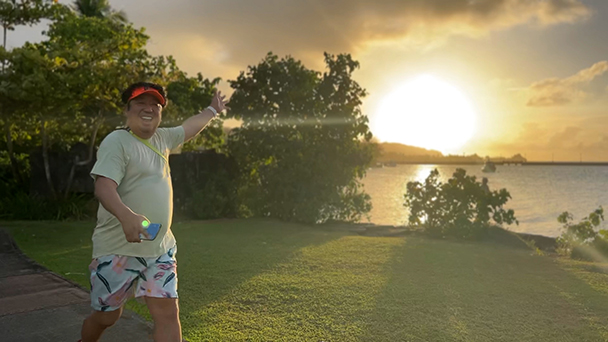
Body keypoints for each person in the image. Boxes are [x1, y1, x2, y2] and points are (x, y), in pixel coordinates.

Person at [80, 82, 228, 342]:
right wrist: (127, 216)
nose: (149, 108)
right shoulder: (117, 142)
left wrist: (212, 110)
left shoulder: (163, 139)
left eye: (155, 104)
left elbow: (189, 128)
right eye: (141, 103)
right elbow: (103, 186)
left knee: (168, 315)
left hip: (159, 249)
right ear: (127, 110)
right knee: (106, 317)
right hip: (118, 250)